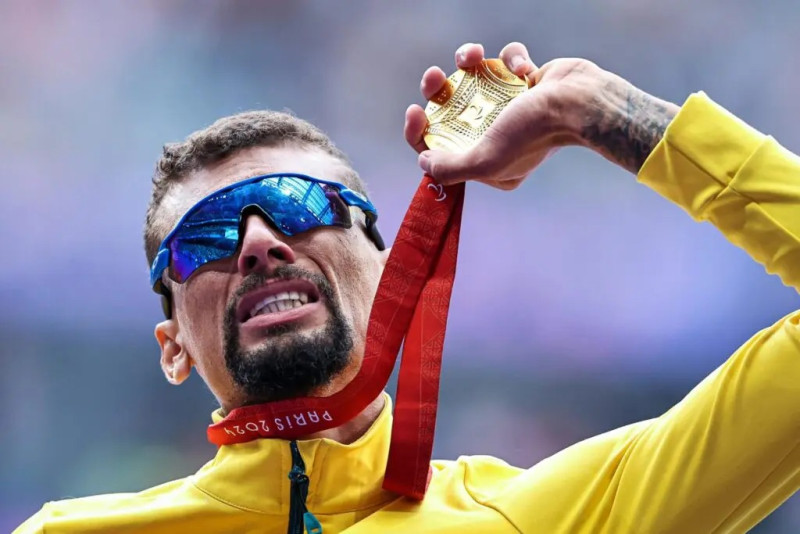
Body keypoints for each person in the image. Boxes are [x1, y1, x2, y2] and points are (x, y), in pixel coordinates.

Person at [15, 41, 800, 533]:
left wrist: (604, 112)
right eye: (207, 238)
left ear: (392, 270)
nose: (258, 242)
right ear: (173, 346)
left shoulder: (550, 518)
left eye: (300, 206)